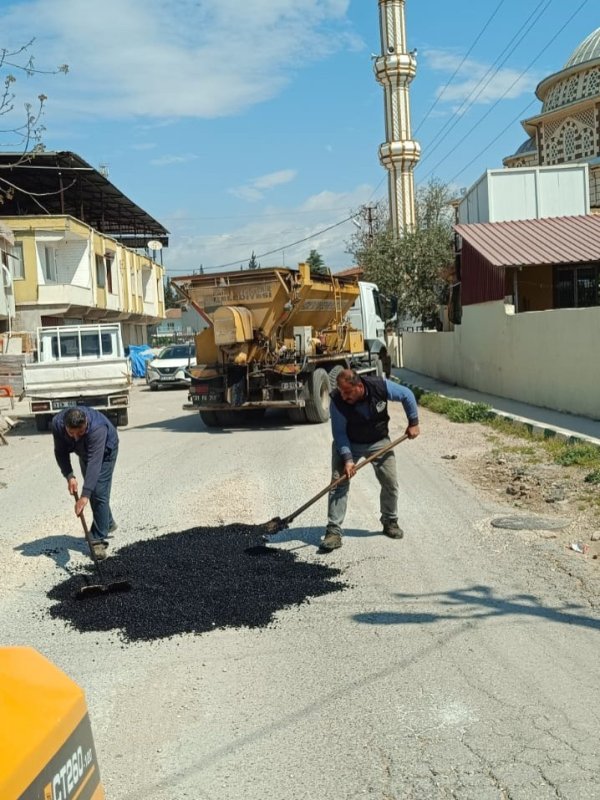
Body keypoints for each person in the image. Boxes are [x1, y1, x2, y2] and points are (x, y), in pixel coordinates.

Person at [322, 369, 420, 551]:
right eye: (341, 392)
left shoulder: (379, 386)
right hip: (350, 441)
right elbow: (340, 433)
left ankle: (390, 520)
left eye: (347, 392)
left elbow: (407, 395)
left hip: (378, 440)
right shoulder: (337, 401)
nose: (343, 396)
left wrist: (413, 422)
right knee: (338, 482)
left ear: (359, 386)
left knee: (390, 481)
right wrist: (348, 459)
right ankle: (333, 531)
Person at [51, 406, 119, 561]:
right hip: (84, 451)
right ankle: (107, 522)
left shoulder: (98, 429)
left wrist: (84, 495)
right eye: (71, 433)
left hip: (105, 451)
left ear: (86, 424)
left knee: (97, 491)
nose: (75, 437)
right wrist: (69, 476)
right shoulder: (57, 423)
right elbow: (60, 452)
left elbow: (95, 463)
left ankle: (97, 540)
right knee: (93, 488)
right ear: (65, 426)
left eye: (80, 432)